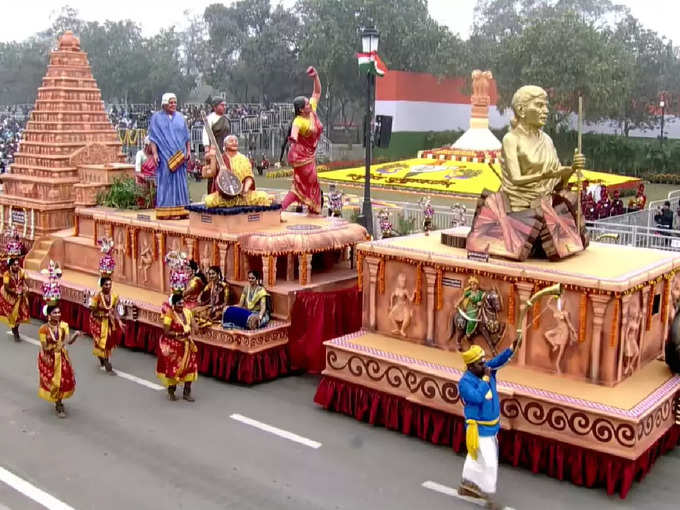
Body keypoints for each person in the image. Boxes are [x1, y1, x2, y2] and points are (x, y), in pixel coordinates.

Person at [458, 340, 518, 509]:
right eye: (480, 363)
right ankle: (489, 496)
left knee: (475, 457)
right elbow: (476, 398)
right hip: (480, 429)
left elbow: (498, 361)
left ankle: (467, 485)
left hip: (491, 428)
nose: (485, 365)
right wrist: (485, 378)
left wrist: (512, 348)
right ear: (470, 366)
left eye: (484, 361)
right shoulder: (465, 382)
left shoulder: (486, 371)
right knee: (490, 462)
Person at [280, 67, 324, 216]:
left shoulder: (312, 112)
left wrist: (316, 77)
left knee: (302, 185)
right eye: (306, 104)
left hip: (308, 155)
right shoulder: (299, 121)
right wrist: (293, 137)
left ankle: (280, 209)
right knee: (311, 183)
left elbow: (317, 92)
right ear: (300, 110)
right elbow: (294, 133)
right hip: (301, 157)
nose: (309, 105)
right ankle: (313, 211)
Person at [148, 93, 191, 220]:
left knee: (180, 181)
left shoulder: (180, 117)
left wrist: (188, 151)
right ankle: (165, 211)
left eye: (175, 102)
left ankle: (182, 209)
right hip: (164, 155)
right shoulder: (156, 118)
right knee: (166, 182)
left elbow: (186, 136)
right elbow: (153, 138)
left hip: (179, 155)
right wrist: (155, 153)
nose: (173, 105)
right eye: (171, 102)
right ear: (164, 103)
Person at [203, 135, 272, 208]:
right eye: (231, 141)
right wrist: (213, 157)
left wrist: (245, 190)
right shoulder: (221, 159)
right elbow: (210, 174)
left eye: (236, 141)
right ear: (225, 145)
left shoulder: (243, 159)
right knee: (208, 200)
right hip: (224, 196)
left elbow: (249, 177)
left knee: (263, 196)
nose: (234, 143)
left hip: (242, 194)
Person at [156, 293, 198, 402]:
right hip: (174, 346)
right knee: (174, 369)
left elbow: (194, 325)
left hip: (187, 345)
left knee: (191, 367)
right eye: (179, 303)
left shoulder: (187, 312)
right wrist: (178, 335)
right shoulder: (169, 315)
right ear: (173, 305)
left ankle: (187, 392)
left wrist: (197, 327)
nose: (181, 305)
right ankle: (171, 391)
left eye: (183, 303)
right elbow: (166, 332)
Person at [89, 277, 123, 374]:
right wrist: (104, 315)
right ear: (102, 285)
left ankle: (106, 361)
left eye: (110, 284)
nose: (108, 286)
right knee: (101, 342)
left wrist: (119, 321)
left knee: (107, 342)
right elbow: (93, 312)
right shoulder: (97, 297)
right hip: (98, 322)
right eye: (106, 285)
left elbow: (115, 310)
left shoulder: (114, 295)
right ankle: (105, 361)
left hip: (109, 322)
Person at [202, 98, 229, 194]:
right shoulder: (210, 118)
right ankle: (211, 194)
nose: (224, 107)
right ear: (215, 107)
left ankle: (225, 194)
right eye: (222, 105)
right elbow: (206, 133)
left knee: (225, 173)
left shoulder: (226, 119)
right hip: (213, 151)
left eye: (225, 105)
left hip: (225, 151)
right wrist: (207, 149)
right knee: (213, 173)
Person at [0, 257, 29, 342]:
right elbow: (6, 287)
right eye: (14, 265)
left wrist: (27, 289)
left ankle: (15, 329)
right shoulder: (6, 274)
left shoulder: (22, 271)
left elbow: (25, 282)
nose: (17, 266)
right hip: (9, 296)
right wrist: (15, 292)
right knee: (12, 315)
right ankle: (15, 331)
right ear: (11, 265)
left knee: (20, 315)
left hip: (20, 296)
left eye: (17, 264)